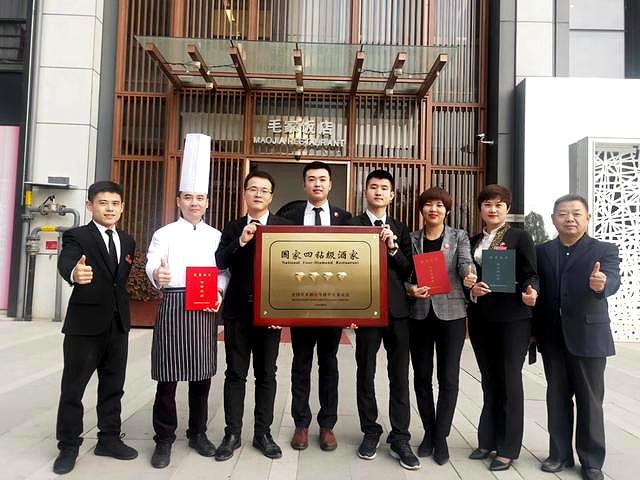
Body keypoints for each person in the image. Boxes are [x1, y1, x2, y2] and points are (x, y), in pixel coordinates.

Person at [144, 133, 230, 468]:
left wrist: (219, 290)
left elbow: (223, 271)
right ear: (179, 200)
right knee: (167, 379)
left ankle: (198, 433)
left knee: (201, 377)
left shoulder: (216, 236)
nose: (195, 203)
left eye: (200, 198)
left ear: (207, 202)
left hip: (204, 307)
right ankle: (164, 438)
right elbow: (153, 261)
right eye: (189, 197)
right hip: (173, 305)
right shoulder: (164, 233)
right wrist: (158, 274)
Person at [53, 181, 138, 475]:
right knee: (73, 388)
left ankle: (109, 439)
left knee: (113, 386)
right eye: (103, 203)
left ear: (122, 207)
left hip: (118, 325)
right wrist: (74, 273)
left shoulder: (127, 240)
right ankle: (68, 446)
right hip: (84, 326)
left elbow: (119, 281)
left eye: (115, 204)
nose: (109, 209)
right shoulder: (77, 235)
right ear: (90, 206)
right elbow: (67, 261)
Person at [535, 194, 620, 480]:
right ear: (554, 219)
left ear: (587, 218)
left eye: (576, 213)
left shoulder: (604, 249)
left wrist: (601, 284)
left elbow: (613, 279)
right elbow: (536, 285)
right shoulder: (543, 251)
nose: (569, 218)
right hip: (552, 337)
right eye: (562, 213)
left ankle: (592, 461)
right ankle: (559, 455)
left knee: (590, 401)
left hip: (589, 336)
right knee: (557, 397)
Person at [214, 170, 291, 461]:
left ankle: (263, 433)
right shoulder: (234, 227)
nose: (258, 194)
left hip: (271, 313)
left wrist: (285, 310)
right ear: (244, 193)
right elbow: (220, 261)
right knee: (235, 373)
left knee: (266, 374)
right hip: (237, 312)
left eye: (264, 190)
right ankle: (232, 433)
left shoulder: (284, 227)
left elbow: (294, 270)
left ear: (271, 196)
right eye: (253, 189)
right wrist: (241, 241)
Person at [348, 169, 420, 470]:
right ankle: (370, 431)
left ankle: (400, 436)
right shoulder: (351, 226)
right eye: (373, 187)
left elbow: (409, 270)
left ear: (392, 195)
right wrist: (347, 310)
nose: (378, 192)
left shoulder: (401, 229)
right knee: (365, 371)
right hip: (365, 311)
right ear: (365, 191)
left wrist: (392, 248)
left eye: (384, 188)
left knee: (399, 375)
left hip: (397, 312)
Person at [280, 161, 351, 452]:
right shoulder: (289, 217)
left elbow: (355, 263)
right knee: (301, 363)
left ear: (330, 184)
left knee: (329, 364)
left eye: (322, 179)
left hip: (333, 304)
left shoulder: (345, 219)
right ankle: (301, 424)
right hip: (300, 303)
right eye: (312, 179)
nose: (317, 184)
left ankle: (327, 425)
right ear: (304, 184)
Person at [467, 184, 538, 471]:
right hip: (481, 319)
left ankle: (508, 447)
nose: (492, 209)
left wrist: (531, 291)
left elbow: (531, 274)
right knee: (488, 380)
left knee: (509, 381)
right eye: (487, 204)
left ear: (507, 208)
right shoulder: (473, 240)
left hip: (512, 320)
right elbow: (468, 276)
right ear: (480, 209)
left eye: (498, 204)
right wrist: (471, 289)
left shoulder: (520, 237)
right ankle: (487, 440)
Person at [405, 187, 476, 465]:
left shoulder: (458, 237)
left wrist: (470, 275)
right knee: (422, 377)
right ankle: (428, 431)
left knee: (448, 378)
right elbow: (404, 274)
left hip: (452, 315)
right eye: (428, 204)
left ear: (447, 210)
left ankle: (441, 436)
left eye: (439, 205)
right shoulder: (412, 239)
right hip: (420, 315)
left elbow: (466, 264)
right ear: (421, 209)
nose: (433, 209)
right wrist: (410, 289)